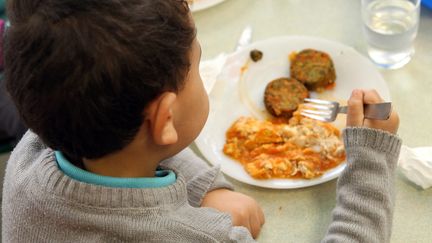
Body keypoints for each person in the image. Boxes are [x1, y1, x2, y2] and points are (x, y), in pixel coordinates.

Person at [2, 1, 401, 243]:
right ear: (166, 117)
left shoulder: (31, 153)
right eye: (197, 66)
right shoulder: (204, 237)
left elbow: (135, 150)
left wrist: (202, 187)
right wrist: (371, 163)